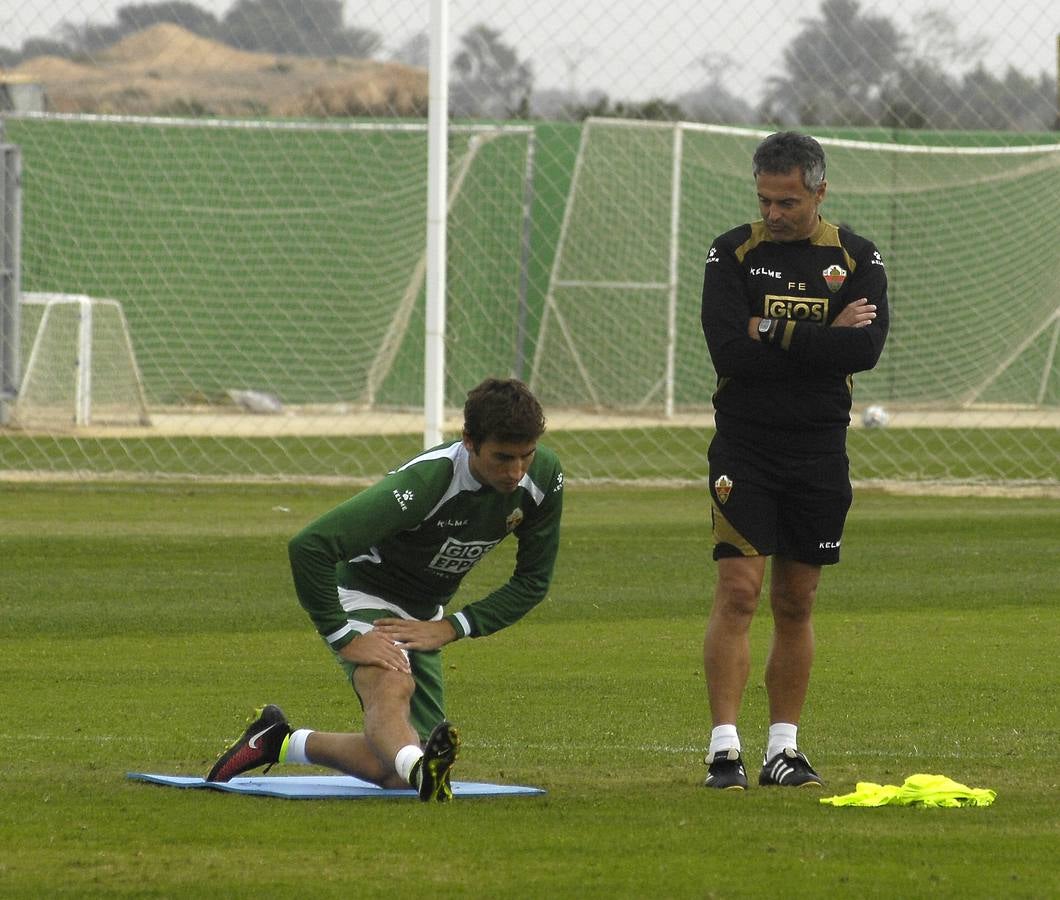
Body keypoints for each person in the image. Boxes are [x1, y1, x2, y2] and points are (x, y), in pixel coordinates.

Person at [206, 378, 564, 802]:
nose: (516, 472)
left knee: (391, 768)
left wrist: (452, 626)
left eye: (527, 456)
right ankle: (423, 773)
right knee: (391, 687)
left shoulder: (544, 478)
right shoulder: (427, 484)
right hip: (364, 593)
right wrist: (345, 637)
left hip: (424, 614)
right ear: (469, 441)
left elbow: (532, 581)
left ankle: (278, 741)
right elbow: (310, 546)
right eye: (502, 458)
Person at [698, 131, 888, 790]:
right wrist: (820, 337)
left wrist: (772, 330)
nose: (774, 214)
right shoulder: (731, 253)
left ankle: (784, 749)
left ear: (819, 191)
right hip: (745, 446)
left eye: (788, 202)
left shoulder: (857, 257)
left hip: (819, 451)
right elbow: (729, 353)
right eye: (765, 201)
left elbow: (863, 352)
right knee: (739, 592)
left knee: (798, 602)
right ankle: (725, 749)